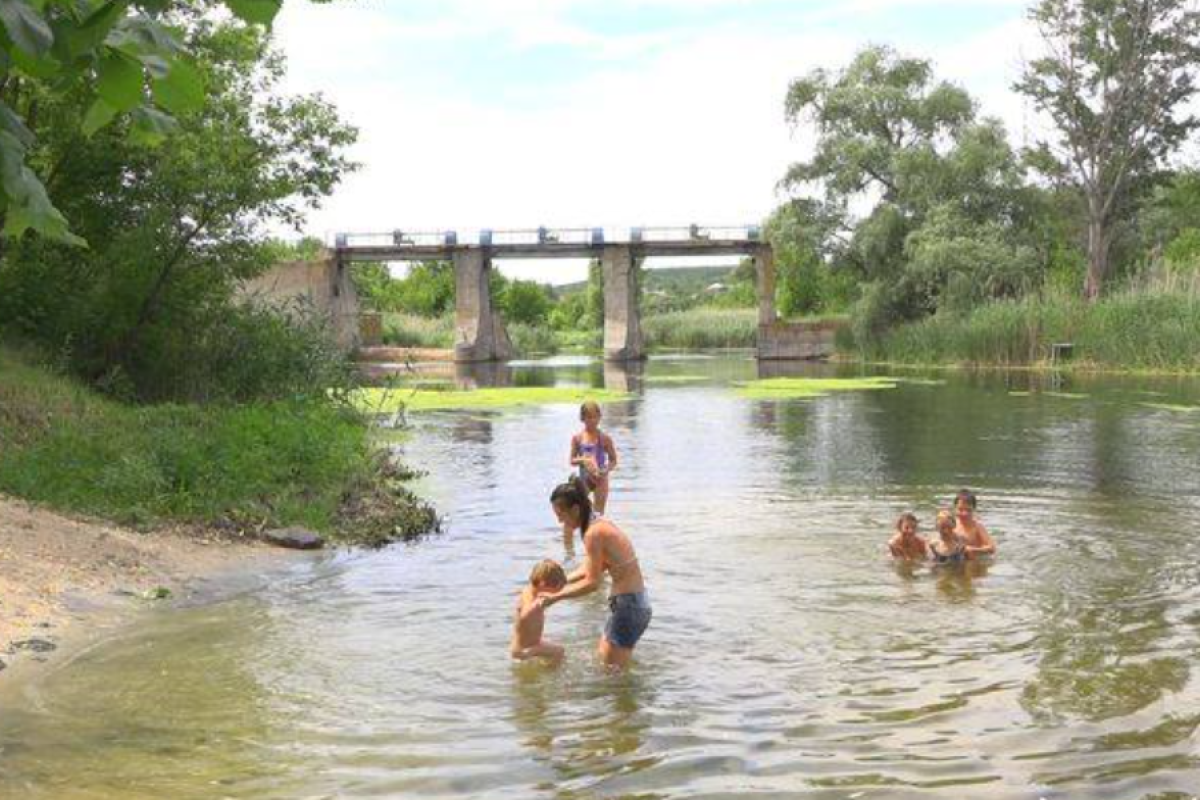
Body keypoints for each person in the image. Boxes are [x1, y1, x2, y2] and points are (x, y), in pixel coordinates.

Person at [543, 477, 650, 670]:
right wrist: (559, 583)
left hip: (629, 607)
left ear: (575, 509)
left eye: (560, 514)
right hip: (634, 604)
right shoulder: (598, 523)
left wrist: (556, 597)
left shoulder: (594, 534)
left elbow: (593, 582)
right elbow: (591, 568)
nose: (559, 521)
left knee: (612, 675)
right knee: (605, 663)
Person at [510, 559, 568, 664]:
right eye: (554, 591)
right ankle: (551, 676)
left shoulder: (529, 590)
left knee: (558, 650)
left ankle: (546, 671)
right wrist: (537, 604)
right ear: (542, 584)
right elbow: (524, 615)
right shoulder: (533, 599)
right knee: (559, 651)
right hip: (525, 649)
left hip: (530, 644)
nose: (552, 596)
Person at [568, 401, 618, 515]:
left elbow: (613, 460)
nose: (592, 421)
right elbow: (571, 460)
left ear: (600, 417)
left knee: (599, 513)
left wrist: (606, 469)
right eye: (589, 418)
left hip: (601, 478)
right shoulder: (577, 438)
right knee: (578, 509)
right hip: (585, 478)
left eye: (595, 417)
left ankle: (597, 529)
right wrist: (583, 460)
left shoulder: (605, 438)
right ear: (582, 418)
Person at [953, 489, 996, 558]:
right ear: (954, 508)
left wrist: (974, 550)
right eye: (960, 509)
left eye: (968, 510)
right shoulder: (951, 524)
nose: (964, 513)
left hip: (974, 562)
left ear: (973, 510)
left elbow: (992, 548)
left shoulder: (977, 526)